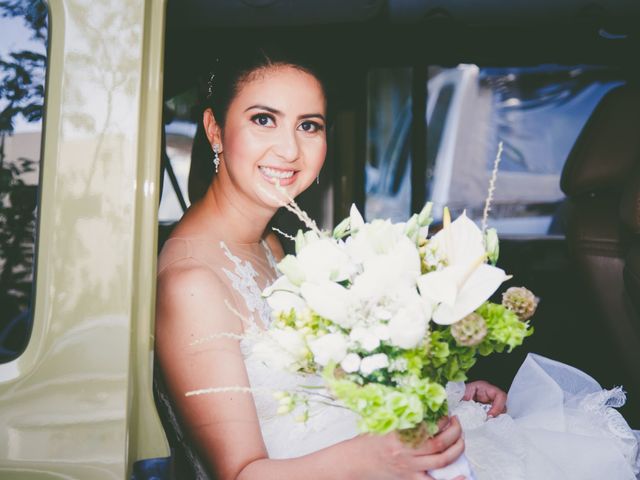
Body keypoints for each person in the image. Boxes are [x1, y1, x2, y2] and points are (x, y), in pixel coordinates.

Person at [155, 46, 640, 480]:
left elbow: (314, 386)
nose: (289, 148)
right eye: (264, 119)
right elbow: (238, 474)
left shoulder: (269, 246)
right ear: (215, 130)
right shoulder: (193, 282)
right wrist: (373, 459)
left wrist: (447, 394)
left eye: (309, 125)